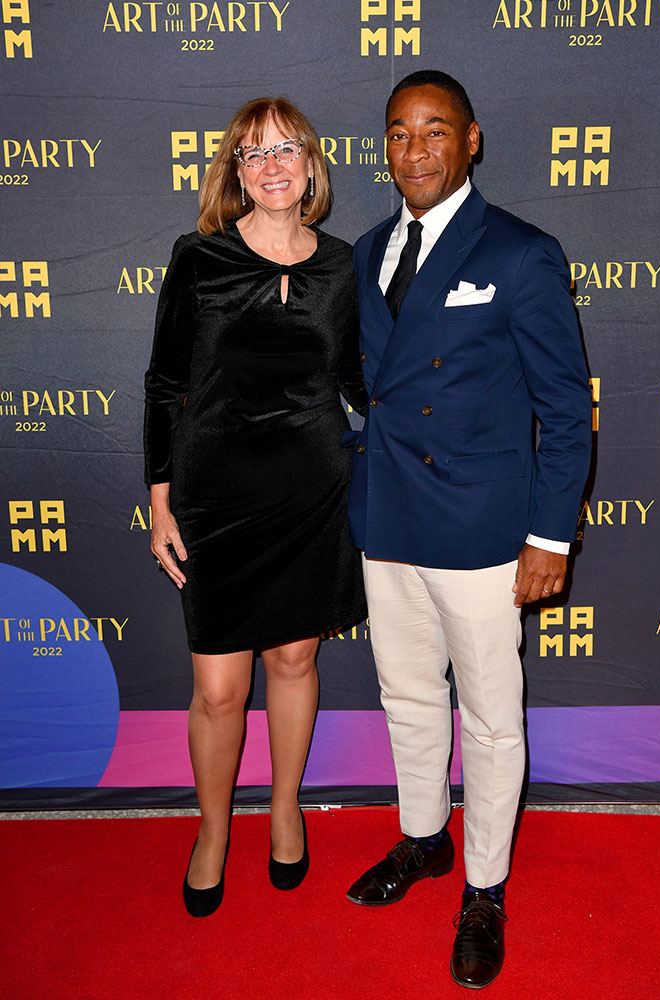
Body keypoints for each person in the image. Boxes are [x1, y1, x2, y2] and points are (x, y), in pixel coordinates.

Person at [343, 71, 592, 989]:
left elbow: (566, 411)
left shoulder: (522, 252)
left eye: (435, 131)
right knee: (407, 696)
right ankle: (424, 839)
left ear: (472, 140)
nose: (416, 150)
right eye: (400, 134)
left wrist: (550, 537)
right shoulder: (368, 249)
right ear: (386, 147)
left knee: (489, 722)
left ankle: (484, 887)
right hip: (390, 517)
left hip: (485, 528)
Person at [144, 97, 367, 917]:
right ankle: (212, 830)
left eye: (286, 149)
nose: (272, 165)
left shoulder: (344, 266)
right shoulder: (198, 259)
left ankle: (283, 809)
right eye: (253, 153)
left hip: (311, 491)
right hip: (215, 498)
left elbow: (358, 382)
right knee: (218, 691)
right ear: (235, 173)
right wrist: (161, 503)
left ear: (312, 163)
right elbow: (165, 387)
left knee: (295, 663)